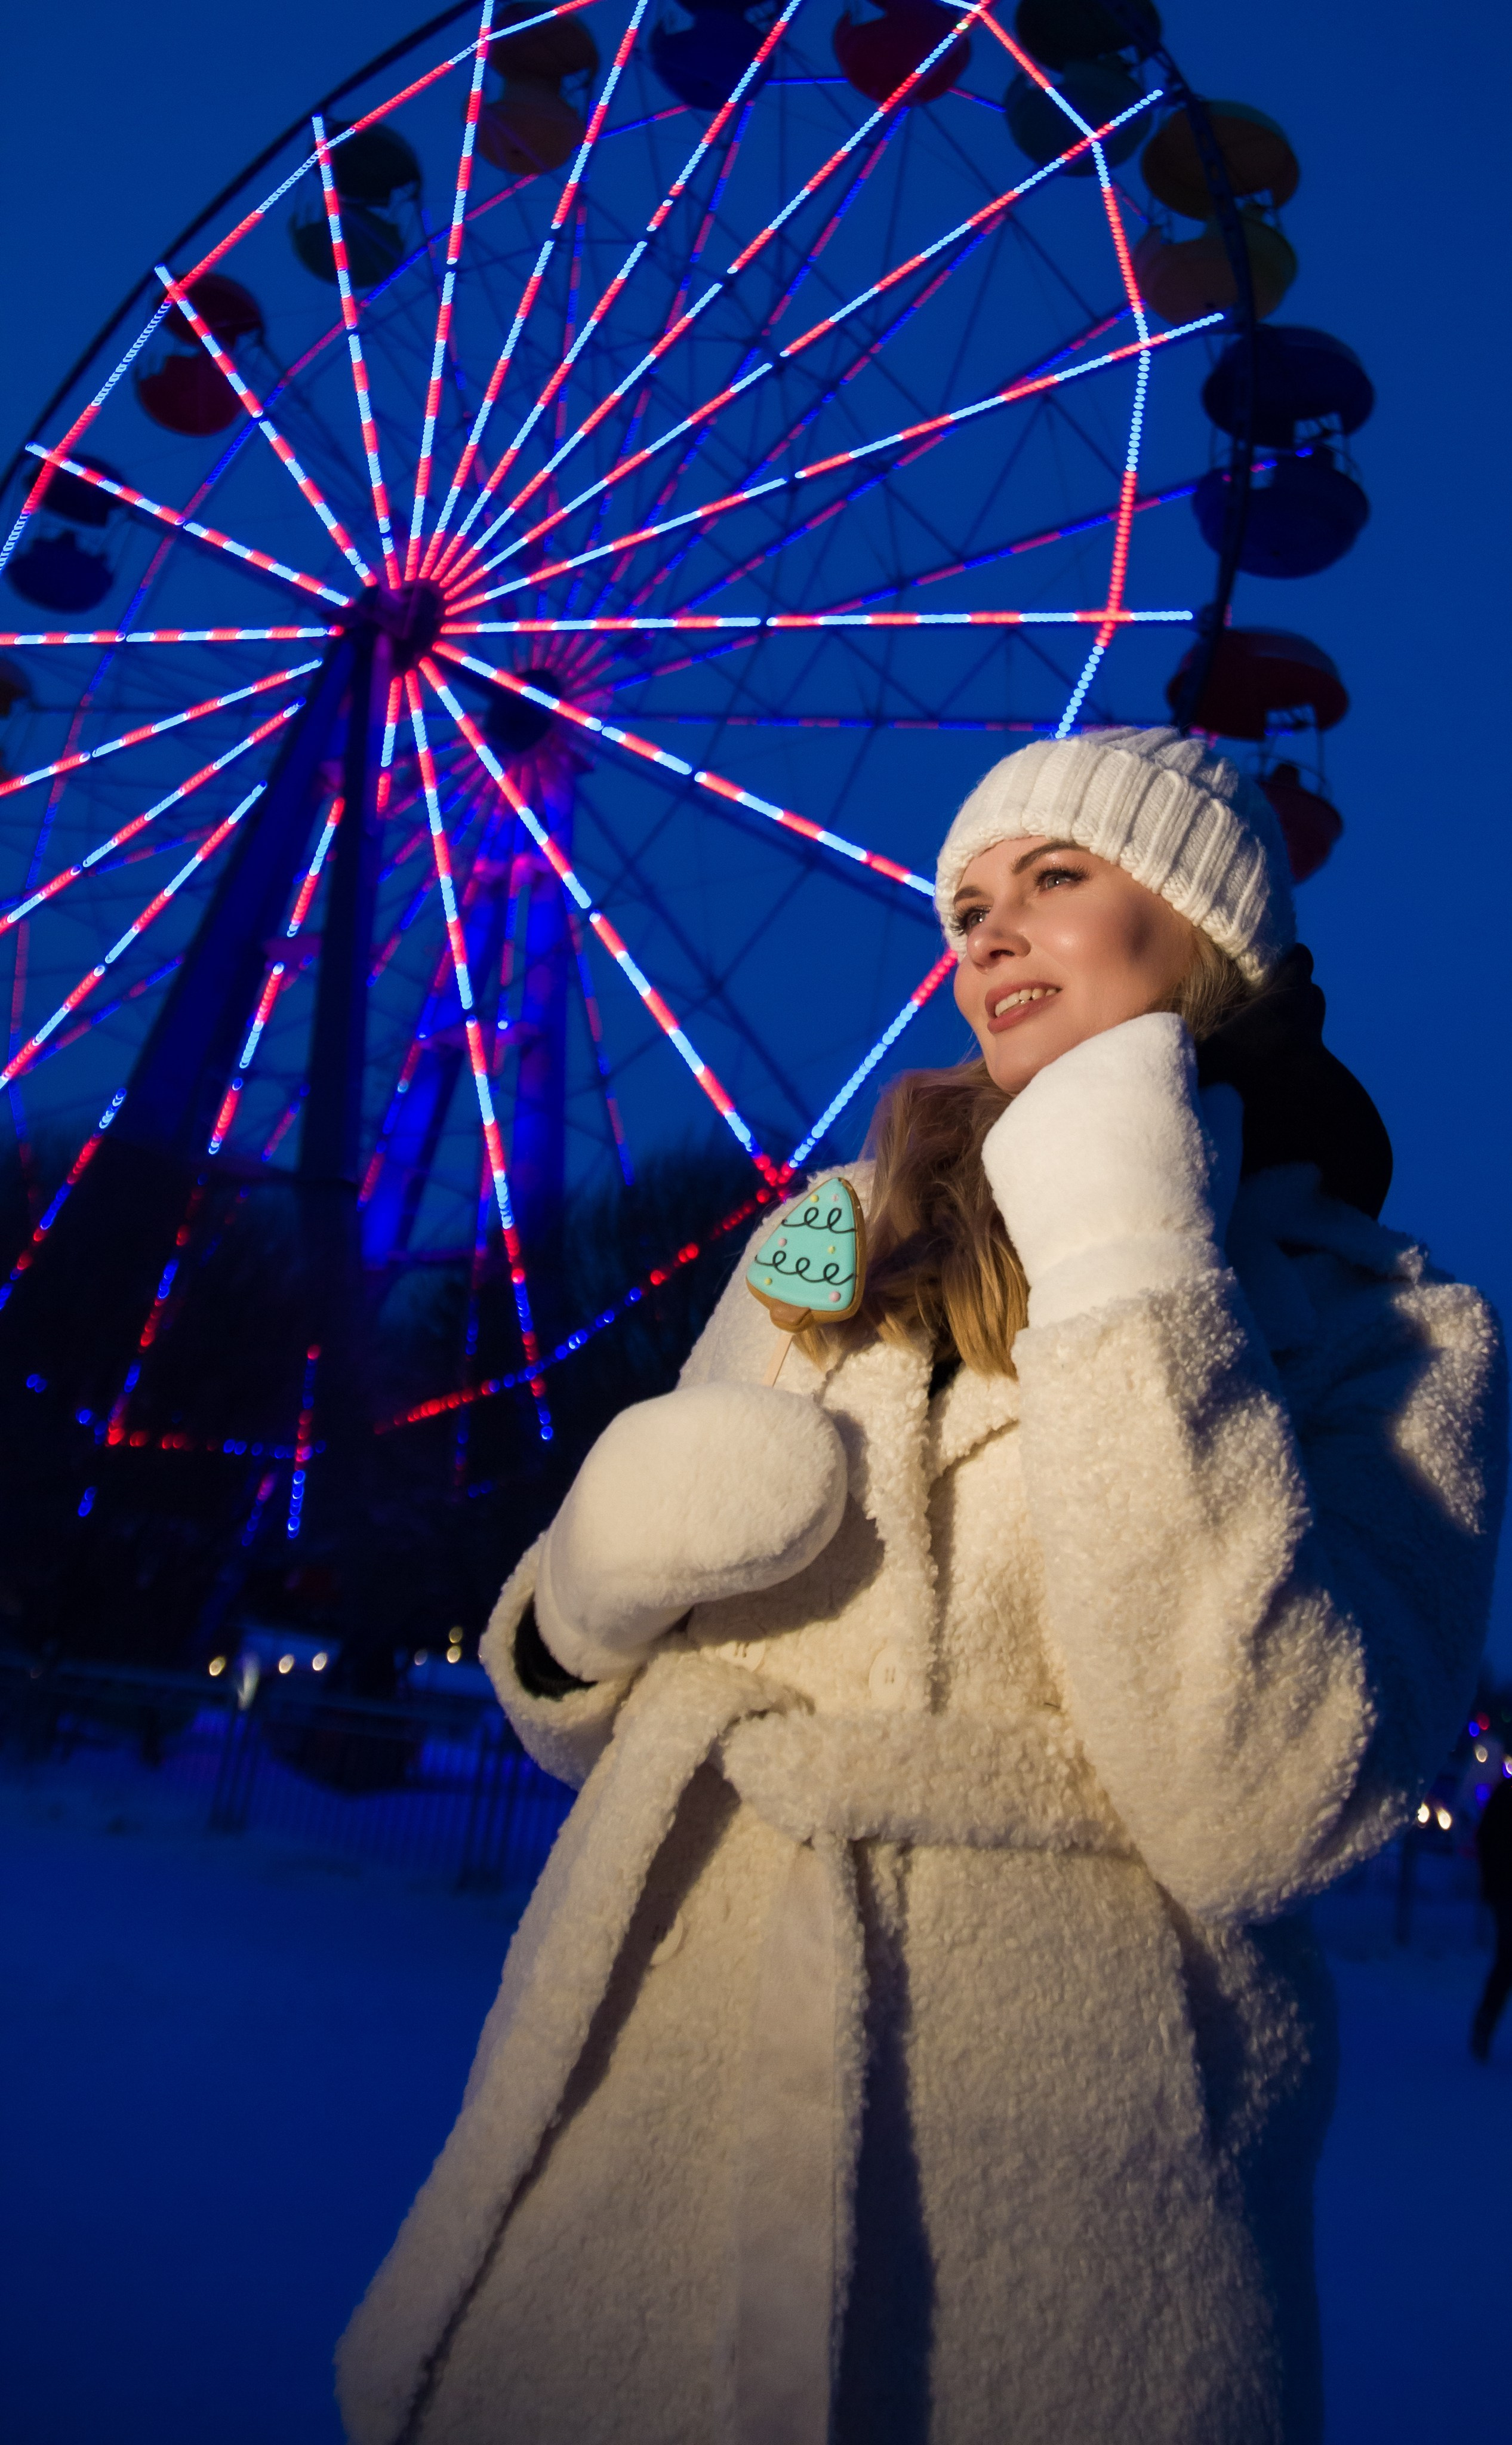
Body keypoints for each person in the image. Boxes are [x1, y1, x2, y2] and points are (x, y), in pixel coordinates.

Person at [338, 728, 1506, 2445]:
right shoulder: (832, 1224)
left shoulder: (1391, 1331)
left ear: (1205, 925)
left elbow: (1262, 1800)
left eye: (1053, 877)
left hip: (1048, 2176)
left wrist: (1123, 1240)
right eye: (964, 904)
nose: (987, 933)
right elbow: (600, 1689)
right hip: (655, 2112)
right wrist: (581, 1600)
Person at [1471, 1769, 1512, 2061]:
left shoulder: (1503, 1794)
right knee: (1508, 1960)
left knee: (1507, 1961)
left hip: (1502, 1891)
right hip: (1506, 1892)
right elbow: (1485, 1838)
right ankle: (1484, 2026)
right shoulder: (1506, 1795)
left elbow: (1484, 1837)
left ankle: (1484, 2025)